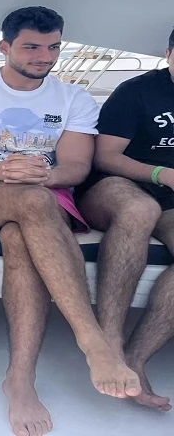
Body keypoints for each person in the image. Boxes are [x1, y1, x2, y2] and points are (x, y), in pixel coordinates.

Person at [0, 6, 140, 436]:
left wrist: (45, 175)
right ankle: (92, 339)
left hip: (45, 192)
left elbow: (77, 168)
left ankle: (20, 379)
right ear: (5, 47)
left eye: (53, 47)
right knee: (31, 201)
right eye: (31, 47)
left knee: (18, 234)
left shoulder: (74, 99)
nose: (44, 56)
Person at [75, 27, 174, 413]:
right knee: (139, 210)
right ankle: (110, 344)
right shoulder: (137, 92)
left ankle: (135, 358)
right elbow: (105, 157)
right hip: (115, 186)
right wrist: (161, 174)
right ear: (168, 54)